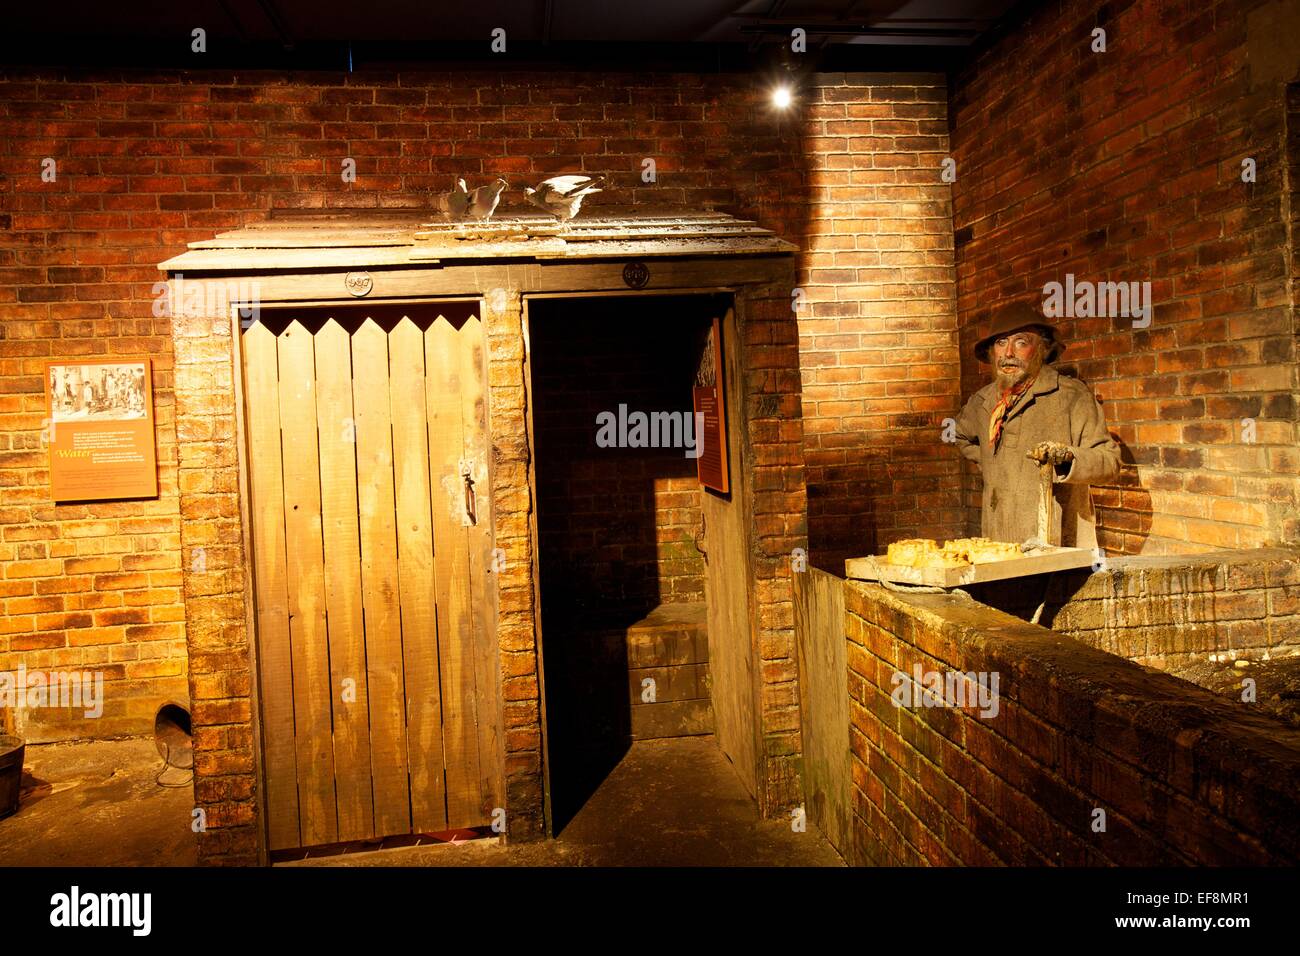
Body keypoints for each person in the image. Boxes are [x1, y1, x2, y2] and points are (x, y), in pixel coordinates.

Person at [952, 301, 1121, 548]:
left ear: (1041, 349)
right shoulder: (983, 401)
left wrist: (1066, 458)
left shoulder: (1071, 395)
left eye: (1021, 342)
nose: (1008, 353)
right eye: (1001, 343)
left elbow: (1109, 460)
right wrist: (991, 462)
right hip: (999, 541)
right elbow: (960, 435)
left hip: (1057, 541)